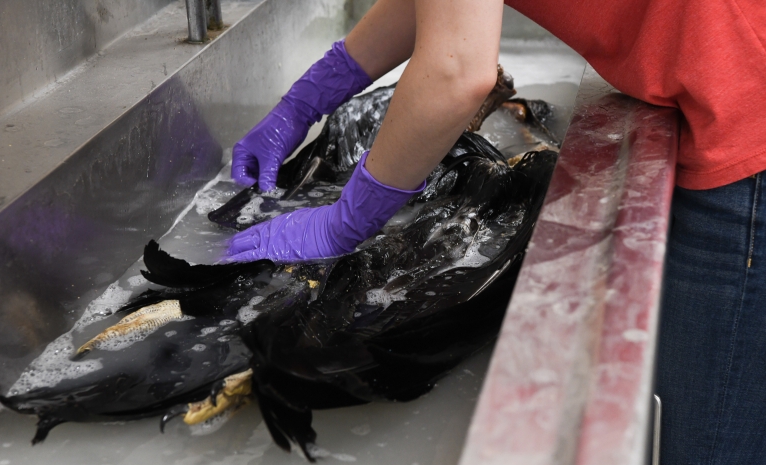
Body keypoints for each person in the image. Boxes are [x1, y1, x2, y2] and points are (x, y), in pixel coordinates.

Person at [228, 0, 766, 462]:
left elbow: (458, 71)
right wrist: (308, 97)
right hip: (729, 97)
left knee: (709, 438)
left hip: (746, 125)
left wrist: (347, 220)